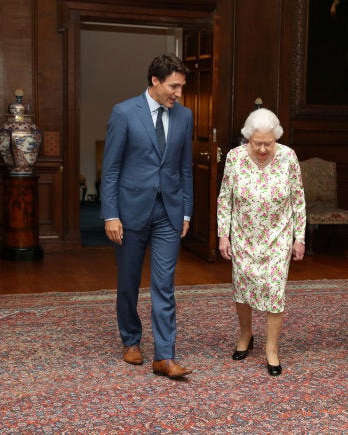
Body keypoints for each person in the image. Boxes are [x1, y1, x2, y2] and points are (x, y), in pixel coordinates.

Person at [101, 53, 194, 379]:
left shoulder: (185, 116)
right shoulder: (124, 113)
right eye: (174, 86)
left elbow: (185, 169)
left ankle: (164, 356)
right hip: (129, 212)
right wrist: (110, 214)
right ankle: (131, 340)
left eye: (181, 87)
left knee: (164, 284)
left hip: (168, 212)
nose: (178, 93)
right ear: (155, 81)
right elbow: (110, 170)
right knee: (128, 283)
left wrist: (186, 211)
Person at [217, 108, 306, 376]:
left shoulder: (289, 157)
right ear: (248, 138)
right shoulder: (234, 157)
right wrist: (224, 233)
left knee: (274, 291)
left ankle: (271, 348)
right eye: (258, 143)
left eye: (269, 143)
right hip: (244, 235)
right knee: (242, 287)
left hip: (277, 236)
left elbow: (298, 199)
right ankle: (246, 335)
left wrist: (299, 238)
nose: (264, 149)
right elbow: (225, 198)